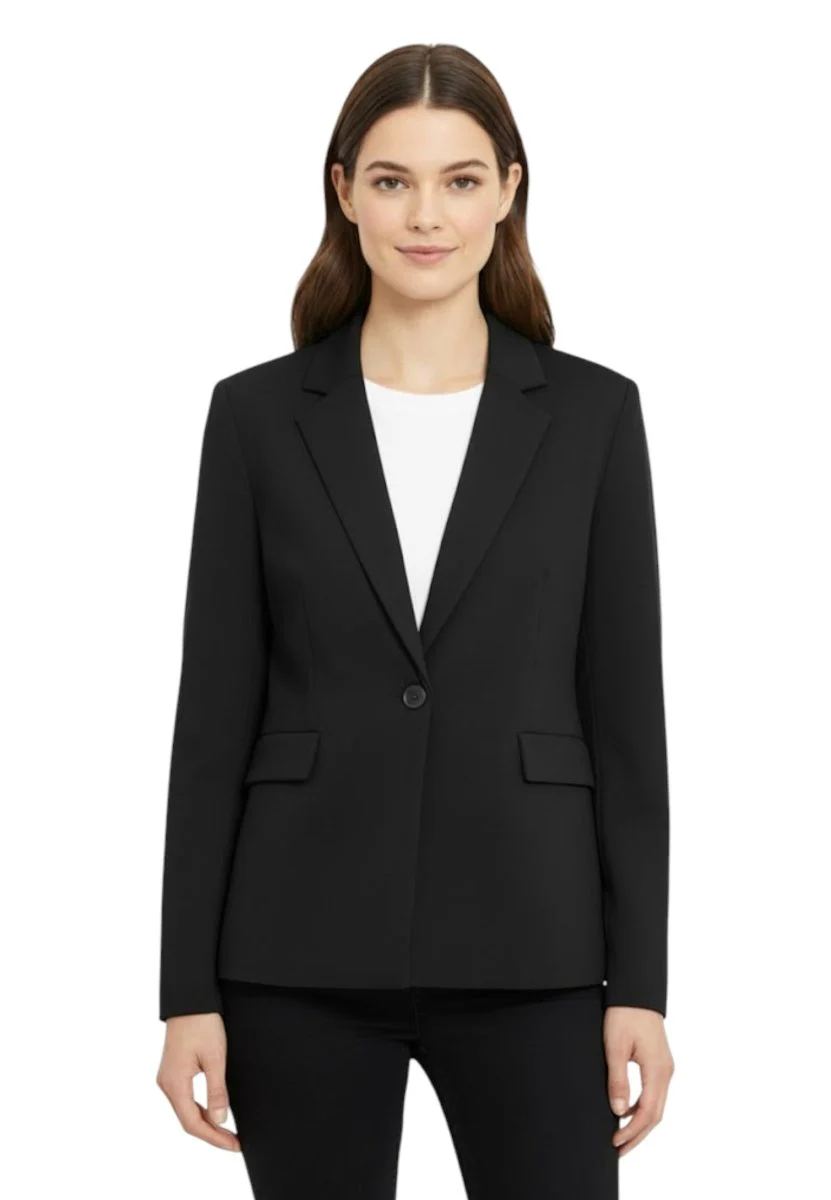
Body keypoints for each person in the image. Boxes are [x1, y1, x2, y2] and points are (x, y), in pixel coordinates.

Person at [156, 41, 675, 1200]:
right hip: (295, 950)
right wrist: (186, 991)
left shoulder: (593, 415)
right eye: (392, 180)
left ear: (508, 190)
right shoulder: (256, 418)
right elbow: (214, 719)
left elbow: (626, 723)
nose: (426, 215)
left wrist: (640, 983)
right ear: (344, 191)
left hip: (535, 946)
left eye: (460, 179)